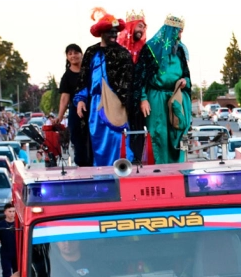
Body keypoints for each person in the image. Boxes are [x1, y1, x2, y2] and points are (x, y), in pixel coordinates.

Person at [74, 8, 133, 167]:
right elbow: (83, 79)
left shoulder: (123, 54)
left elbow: (128, 82)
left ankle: (122, 178)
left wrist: (125, 103)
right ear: (101, 33)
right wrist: (80, 99)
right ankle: (101, 180)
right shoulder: (91, 52)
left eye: (115, 32)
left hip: (117, 104)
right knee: (97, 144)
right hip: (95, 106)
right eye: (110, 32)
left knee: (119, 142)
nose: (114, 35)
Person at [139, 15, 191, 164]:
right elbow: (141, 76)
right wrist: (143, 98)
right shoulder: (151, 49)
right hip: (156, 97)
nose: (180, 36)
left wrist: (184, 81)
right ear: (170, 31)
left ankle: (178, 169)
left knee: (178, 133)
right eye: (178, 31)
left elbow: (187, 75)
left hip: (176, 96)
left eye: (181, 32)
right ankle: (160, 171)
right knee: (159, 134)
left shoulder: (180, 50)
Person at [122, 10, 156, 164]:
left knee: (138, 131)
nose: (141, 30)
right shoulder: (119, 49)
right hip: (120, 100)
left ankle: (136, 161)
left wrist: (143, 97)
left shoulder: (145, 49)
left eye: (143, 27)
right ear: (130, 27)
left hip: (140, 100)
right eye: (139, 26)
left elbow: (151, 73)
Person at [56, 44, 87, 166]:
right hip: (76, 115)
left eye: (76, 53)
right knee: (78, 143)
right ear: (67, 57)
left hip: (92, 112)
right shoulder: (67, 76)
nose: (73, 56)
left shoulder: (89, 71)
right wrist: (59, 116)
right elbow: (64, 98)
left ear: (81, 54)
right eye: (70, 53)